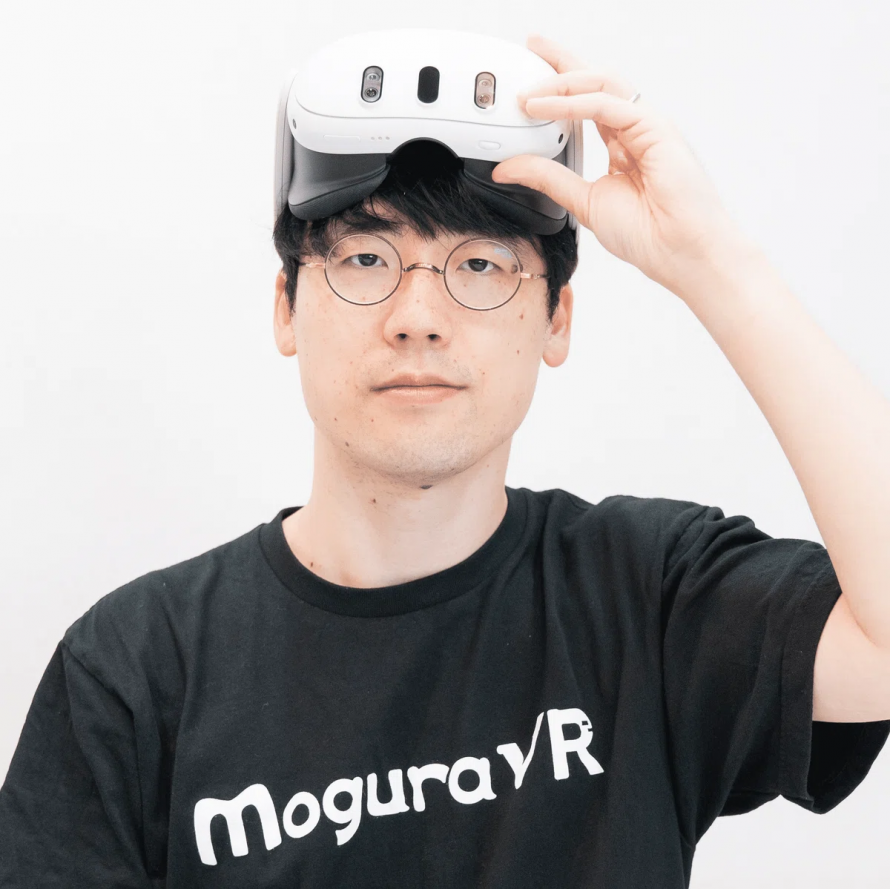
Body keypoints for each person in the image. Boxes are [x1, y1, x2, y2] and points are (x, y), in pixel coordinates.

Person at [2, 32, 890, 889]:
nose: (418, 317)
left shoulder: (647, 597)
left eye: (480, 265)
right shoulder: (131, 671)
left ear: (556, 319)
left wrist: (712, 262)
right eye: (365, 257)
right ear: (286, 306)